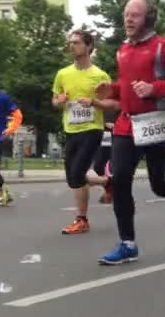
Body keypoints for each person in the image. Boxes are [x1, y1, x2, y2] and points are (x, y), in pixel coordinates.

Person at [95, 0, 165, 265]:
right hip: (127, 124)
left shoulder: (162, 47)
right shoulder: (121, 49)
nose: (128, 19)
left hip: (157, 125)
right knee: (119, 180)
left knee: (161, 184)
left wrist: (156, 88)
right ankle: (128, 244)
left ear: (148, 19)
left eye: (135, 14)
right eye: (126, 14)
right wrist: (112, 89)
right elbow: (127, 87)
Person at [52, 30, 117, 233]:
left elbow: (113, 102)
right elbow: (55, 101)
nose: (72, 46)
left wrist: (94, 102)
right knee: (73, 179)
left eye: (77, 43)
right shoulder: (62, 74)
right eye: (70, 43)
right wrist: (59, 102)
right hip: (70, 129)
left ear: (88, 46)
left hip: (92, 129)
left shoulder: (99, 75)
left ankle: (81, 219)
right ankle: (108, 182)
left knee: (78, 173)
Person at [0, 70, 22, 207]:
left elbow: (18, 115)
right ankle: (3, 192)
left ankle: (3, 192)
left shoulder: (2, 98)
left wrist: (10, 129)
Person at [91, 110, 117, 204]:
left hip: (120, 131)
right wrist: (104, 122)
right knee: (99, 165)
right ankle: (110, 189)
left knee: (115, 164)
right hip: (104, 131)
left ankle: (113, 192)